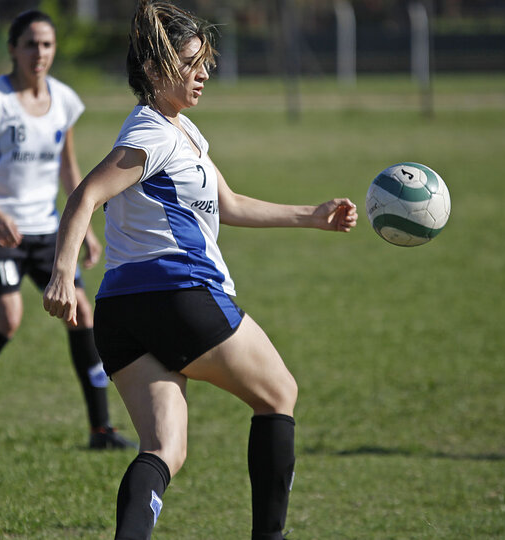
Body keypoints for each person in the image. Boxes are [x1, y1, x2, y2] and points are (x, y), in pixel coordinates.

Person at [42, 2, 358, 539]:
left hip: (122, 312)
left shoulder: (180, 131)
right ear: (154, 69)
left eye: (204, 61)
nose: (204, 73)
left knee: (165, 448)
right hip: (180, 293)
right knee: (278, 393)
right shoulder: (153, 133)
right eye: (191, 63)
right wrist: (61, 274)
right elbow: (87, 193)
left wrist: (313, 216)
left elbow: (227, 203)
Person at [0, 9, 135, 455]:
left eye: (47, 44)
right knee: (7, 319)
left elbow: (69, 169)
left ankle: (101, 430)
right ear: (12, 48)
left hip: (45, 226)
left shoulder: (64, 100)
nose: (40, 53)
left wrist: (84, 228)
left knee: (82, 314)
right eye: (30, 44)